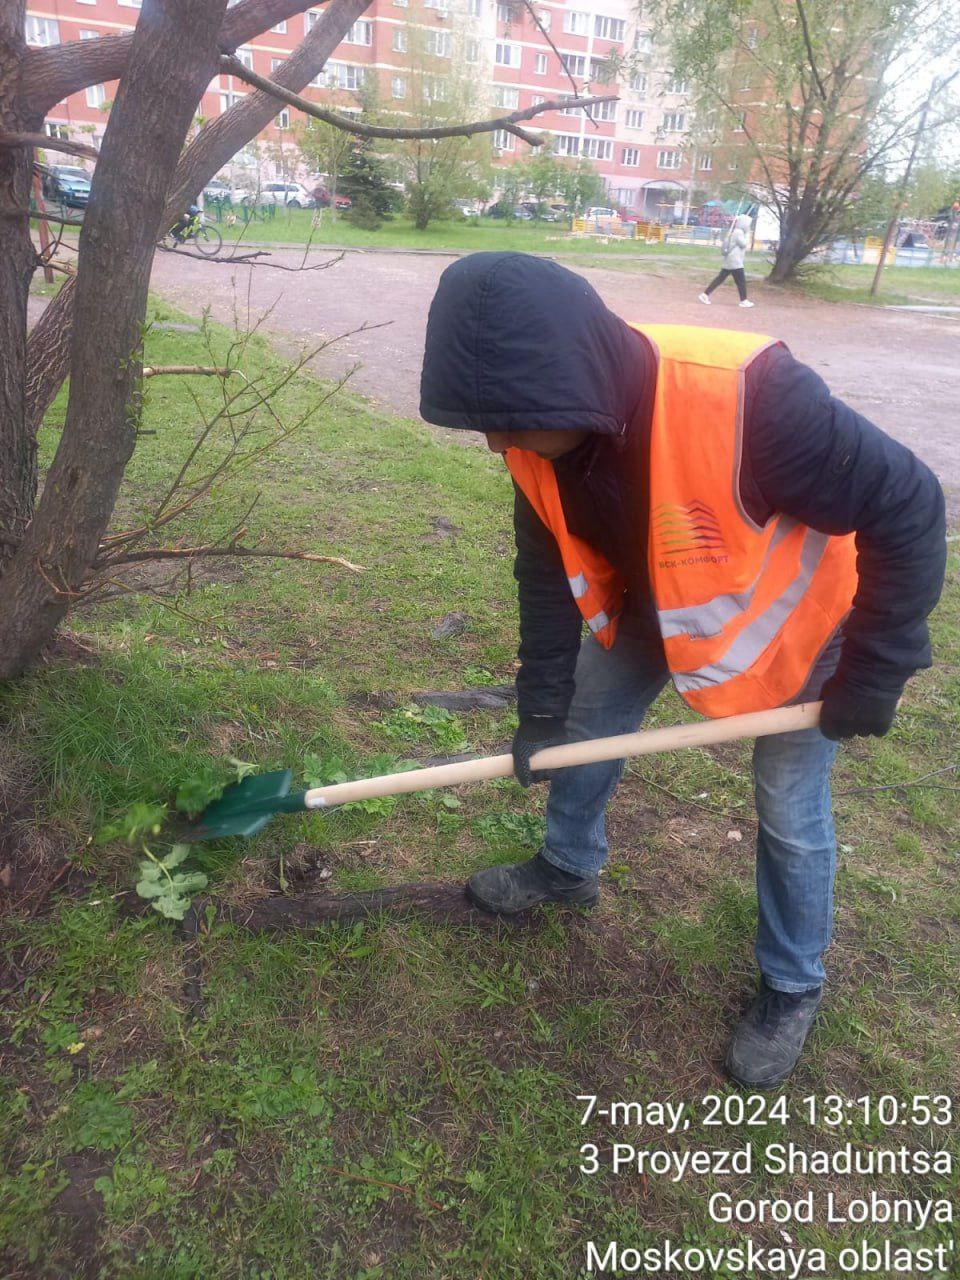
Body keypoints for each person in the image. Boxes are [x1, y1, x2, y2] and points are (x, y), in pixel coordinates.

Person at [419, 252, 946, 1087]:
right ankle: (566, 867)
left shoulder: (752, 397)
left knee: (789, 807)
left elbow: (911, 503)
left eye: (508, 423)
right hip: (655, 603)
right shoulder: (537, 431)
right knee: (587, 725)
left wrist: (878, 669)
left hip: (800, 629)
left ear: (572, 386)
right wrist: (542, 706)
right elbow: (547, 568)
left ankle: (791, 984)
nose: (495, 444)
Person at [699, 214, 754, 307]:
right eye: (748, 224)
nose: (748, 226)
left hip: (731, 260)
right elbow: (743, 244)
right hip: (735, 261)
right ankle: (744, 300)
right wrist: (747, 235)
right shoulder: (739, 232)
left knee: (720, 278)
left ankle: (705, 295)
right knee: (741, 282)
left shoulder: (737, 231)